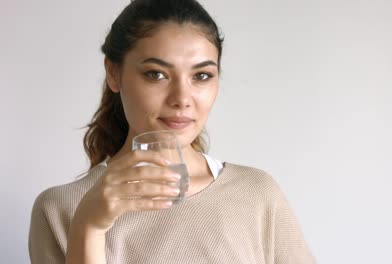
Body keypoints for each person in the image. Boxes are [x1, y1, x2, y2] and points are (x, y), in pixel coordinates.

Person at [28, 0, 315, 263]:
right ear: (114, 73)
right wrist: (88, 227)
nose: (182, 97)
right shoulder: (59, 209)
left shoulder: (256, 194)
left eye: (201, 76)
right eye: (156, 74)